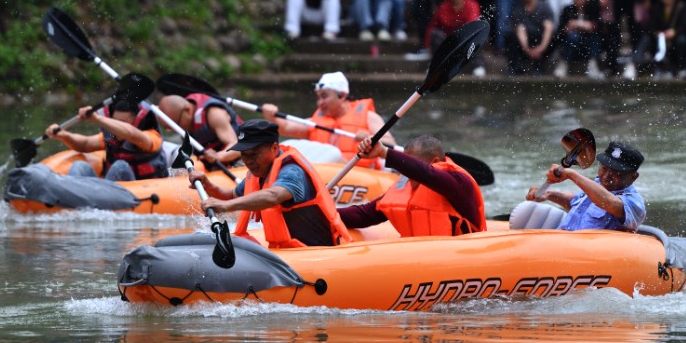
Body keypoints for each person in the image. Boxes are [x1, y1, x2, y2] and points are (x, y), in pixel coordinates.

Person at [187, 120, 353, 250]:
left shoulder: (292, 171)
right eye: (244, 155)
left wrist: (226, 206)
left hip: (315, 253)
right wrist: (208, 185)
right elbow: (230, 195)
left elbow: (274, 196)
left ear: (274, 148)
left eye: (254, 154)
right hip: (286, 253)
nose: (248, 161)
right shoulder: (258, 173)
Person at [339, 135, 485, 237]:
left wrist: (384, 153)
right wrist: (329, 216)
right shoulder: (404, 186)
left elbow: (426, 173)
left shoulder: (459, 183)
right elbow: (365, 214)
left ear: (435, 162)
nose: (405, 171)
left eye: (409, 164)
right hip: (419, 261)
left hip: (459, 260)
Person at [509, 140, 645, 232]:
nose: (607, 176)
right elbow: (576, 202)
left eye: (616, 173)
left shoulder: (634, 203)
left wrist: (571, 174)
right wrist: (549, 195)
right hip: (561, 246)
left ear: (633, 177)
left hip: (588, 258)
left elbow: (609, 203)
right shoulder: (596, 185)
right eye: (604, 168)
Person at [260, 70, 393, 165]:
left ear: (342, 95)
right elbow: (286, 127)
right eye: (318, 97)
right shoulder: (315, 121)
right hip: (326, 172)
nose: (320, 102)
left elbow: (390, 145)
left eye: (324, 96)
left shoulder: (368, 117)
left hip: (362, 174)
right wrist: (272, 115)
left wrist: (370, 138)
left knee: (332, 154)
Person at [43, 94, 169, 182]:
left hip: (140, 190)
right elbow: (85, 144)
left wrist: (98, 119)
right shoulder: (112, 138)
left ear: (135, 121)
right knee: (79, 166)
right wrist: (64, 135)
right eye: (115, 121)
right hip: (106, 190)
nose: (116, 126)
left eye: (122, 122)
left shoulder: (151, 137)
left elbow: (131, 134)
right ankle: (71, 200)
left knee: (120, 166)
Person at [424, 0, 485, 76]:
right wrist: (427, 45)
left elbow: (472, 27)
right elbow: (432, 27)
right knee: (435, 35)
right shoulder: (443, 7)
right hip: (448, 43)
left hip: (466, 42)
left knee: (477, 35)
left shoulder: (472, 5)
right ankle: (437, 66)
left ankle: (478, 66)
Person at [545, 0, 601, 76]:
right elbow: (560, 31)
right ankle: (564, 63)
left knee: (594, 37)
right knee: (573, 37)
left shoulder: (593, 9)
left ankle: (592, 64)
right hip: (571, 45)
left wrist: (578, 25)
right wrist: (569, 29)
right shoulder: (567, 10)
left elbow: (597, 26)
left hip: (588, 45)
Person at [507, 0, 554, 75]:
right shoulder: (517, 10)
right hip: (525, 45)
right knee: (510, 36)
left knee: (550, 36)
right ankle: (515, 67)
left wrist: (541, 48)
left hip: (542, 44)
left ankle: (539, 68)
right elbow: (520, 30)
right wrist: (528, 50)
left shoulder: (544, 7)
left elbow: (549, 29)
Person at [644, 0, 686, 77]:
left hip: (676, 39)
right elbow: (650, 26)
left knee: (681, 40)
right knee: (647, 39)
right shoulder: (656, 7)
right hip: (659, 39)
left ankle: (680, 67)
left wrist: (674, 32)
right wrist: (657, 33)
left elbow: (685, 26)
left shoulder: (682, 7)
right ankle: (643, 64)